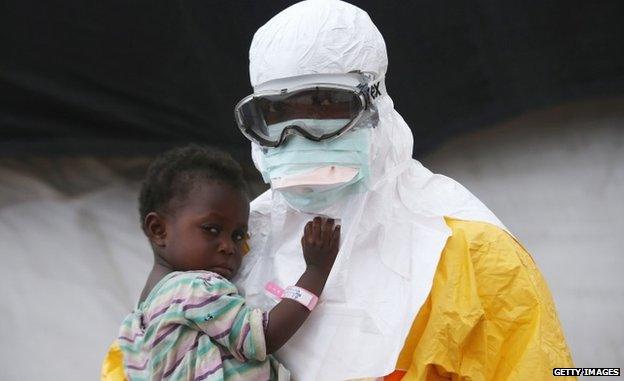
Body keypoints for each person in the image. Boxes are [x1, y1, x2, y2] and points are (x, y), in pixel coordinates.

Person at [232, 0, 575, 380]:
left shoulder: (471, 253)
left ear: (374, 104)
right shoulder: (240, 237)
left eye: (324, 104)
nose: (298, 135)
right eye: (276, 114)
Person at [100, 144, 340, 380]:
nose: (228, 246)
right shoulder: (193, 287)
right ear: (158, 230)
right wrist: (315, 271)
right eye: (211, 229)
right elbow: (263, 337)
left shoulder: (139, 319)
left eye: (238, 236)